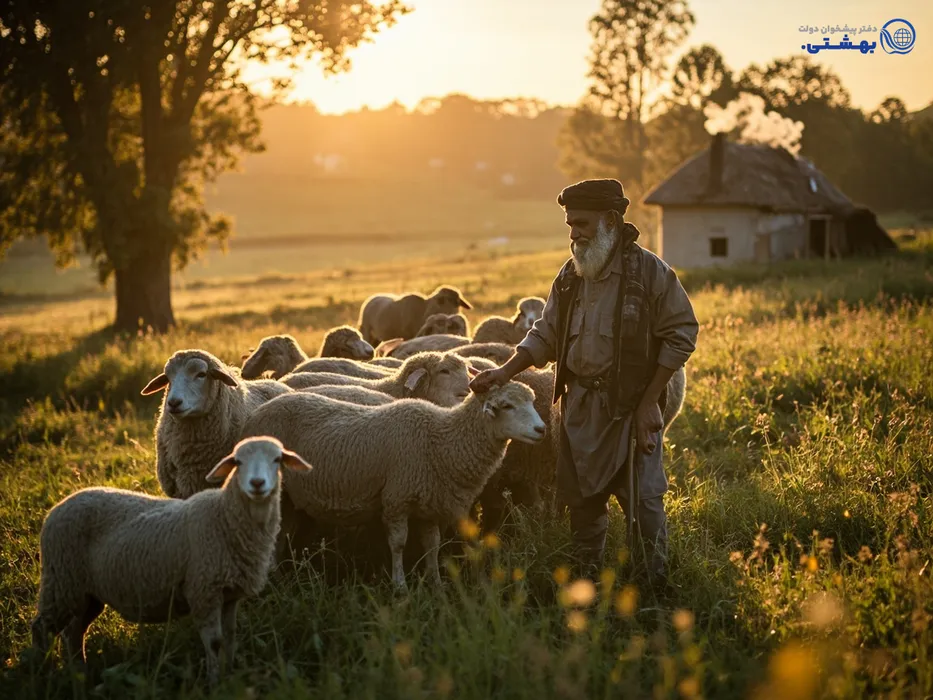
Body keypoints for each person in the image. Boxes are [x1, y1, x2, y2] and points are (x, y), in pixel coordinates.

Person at [469, 178, 699, 589]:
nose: (573, 233)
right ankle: (587, 584)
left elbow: (682, 332)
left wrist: (650, 404)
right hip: (578, 408)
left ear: (610, 221)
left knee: (644, 504)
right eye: (569, 225)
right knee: (582, 502)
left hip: (631, 408)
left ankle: (652, 588)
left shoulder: (650, 273)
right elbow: (546, 334)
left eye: (582, 224)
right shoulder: (571, 275)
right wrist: (504, 372)